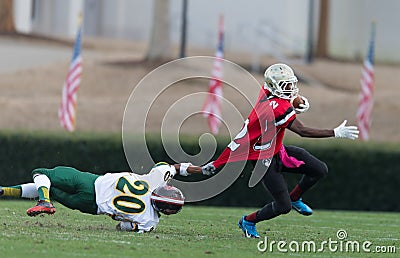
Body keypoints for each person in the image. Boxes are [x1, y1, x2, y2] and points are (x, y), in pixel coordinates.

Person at [200, 63, 359, 238]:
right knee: (283, 207)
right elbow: (302, 131)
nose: (291, 88)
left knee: (319, 169)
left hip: (278, 151)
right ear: (275, 86)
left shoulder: (267, 90)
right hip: (263, 160)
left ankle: (295, 197)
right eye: (287, 85)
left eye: (291, 84)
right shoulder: (276, 107)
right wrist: (334, 132)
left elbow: (288, 97)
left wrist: (296, 99)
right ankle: (248, 220)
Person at [0, 162, 200, 233]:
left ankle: (43, 201)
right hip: (91, 206)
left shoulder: (155, 179)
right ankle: (4, 191)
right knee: (49, 187)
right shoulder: (149, 221)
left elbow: (173, 167)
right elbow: (123, 227)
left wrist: (198, 169)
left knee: (42, 173)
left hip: (91, 182)